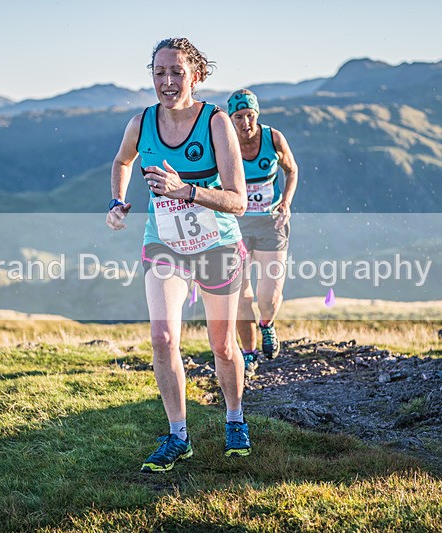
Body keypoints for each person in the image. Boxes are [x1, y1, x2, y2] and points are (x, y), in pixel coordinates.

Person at [106, 38, 252, 473]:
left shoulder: (216, 122)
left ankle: (234, 418)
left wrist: (185, 190)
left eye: (176, 72)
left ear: (196, 75)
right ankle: (178, 436)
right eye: (159, 73)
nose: (167, 82)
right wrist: (117, 202)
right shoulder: (142, 122)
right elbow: (121, 161)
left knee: (223, 346)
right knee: (163, 338)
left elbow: (238, 201)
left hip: (217, 245)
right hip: (165, 243)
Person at [227, 89, 298, 376]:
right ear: (231, 118)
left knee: (268, 295)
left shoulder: (273, 138)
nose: (245, 123)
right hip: (237, 225)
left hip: (271, 223)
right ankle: (248, 353)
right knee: (241, 295)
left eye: (250, 116)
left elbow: (292, 170)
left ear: (257, 114)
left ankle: (267, 323)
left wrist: (286, 202)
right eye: (239, 117)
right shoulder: (224, 142)